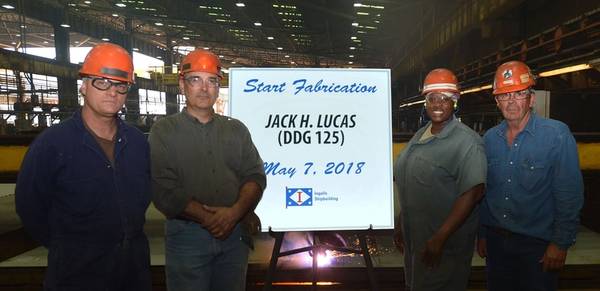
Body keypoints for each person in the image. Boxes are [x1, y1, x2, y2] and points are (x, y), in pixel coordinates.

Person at [15, 43, 152, 290]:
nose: (112, 92)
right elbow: (30, 207)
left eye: (121, 85)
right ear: (84, 85)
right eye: (102, 82)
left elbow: (142, 199)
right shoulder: (53, 144)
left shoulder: (137, 143)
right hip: (76, 274)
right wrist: (69, 247)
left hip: (133, 271)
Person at [149, 49, 266, 291]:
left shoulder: (237, 130)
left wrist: (234, 214)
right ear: (182, 84)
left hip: (234, 238)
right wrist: (212, 219)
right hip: (187, 238)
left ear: (218, 86)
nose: (204, 88)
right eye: (195, 80)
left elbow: (255, 176)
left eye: (211, 81)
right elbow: (163, 189)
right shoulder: (164, 131)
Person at [478, 60, 584, 291]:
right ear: (497, 102)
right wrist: (482, 234)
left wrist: (560, 243)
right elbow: (486, 192)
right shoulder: (489, 140)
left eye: (519, 93)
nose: (512, 101)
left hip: (537, 246)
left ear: (532, 98)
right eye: (505, 95)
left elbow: (569, 194)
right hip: (496, 245)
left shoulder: (556, 135)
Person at [393, 68, 487, 291]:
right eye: (431, 98)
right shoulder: (423, 133)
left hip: (443, 246)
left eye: (444, 99)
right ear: (425, 102)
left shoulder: (467, 142)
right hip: (418, 239)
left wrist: (440, 238)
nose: (437, 104)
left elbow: (473, 192)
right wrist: (401, 222)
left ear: (455, 102)